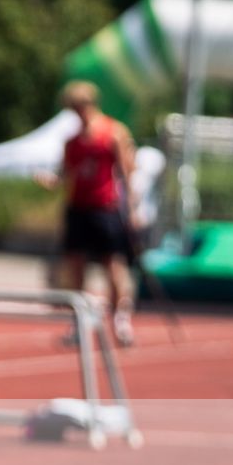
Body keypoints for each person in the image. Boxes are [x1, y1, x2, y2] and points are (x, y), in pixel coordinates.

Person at [40, 81, 138, 347]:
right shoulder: (71, 142)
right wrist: (50, 180)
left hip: (105, 208)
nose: (75, 114)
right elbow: (64, 174)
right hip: (78, 208)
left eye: (77, 108)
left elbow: (128, 172)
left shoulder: (113, 133)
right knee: (76, 268)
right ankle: (80, 323)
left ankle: (121, 320)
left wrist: (131, 209)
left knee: (113, 266)